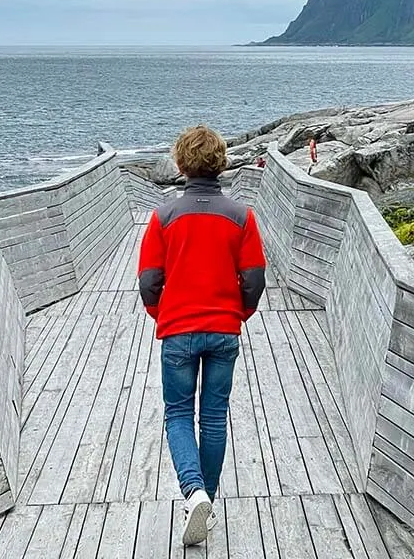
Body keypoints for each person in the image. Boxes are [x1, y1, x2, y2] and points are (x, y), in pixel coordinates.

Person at [137, 125, 266, 546]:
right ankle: (205, 500)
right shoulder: (242, 216)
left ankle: (193, 492)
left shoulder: (164, 217)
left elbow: (149, 280)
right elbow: (254, 278)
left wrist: (164, 314)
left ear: (180, 164)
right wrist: (239, 314)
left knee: (177, 414)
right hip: (224, 329)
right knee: (213, 416)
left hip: (178, 330)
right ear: (221, 162)